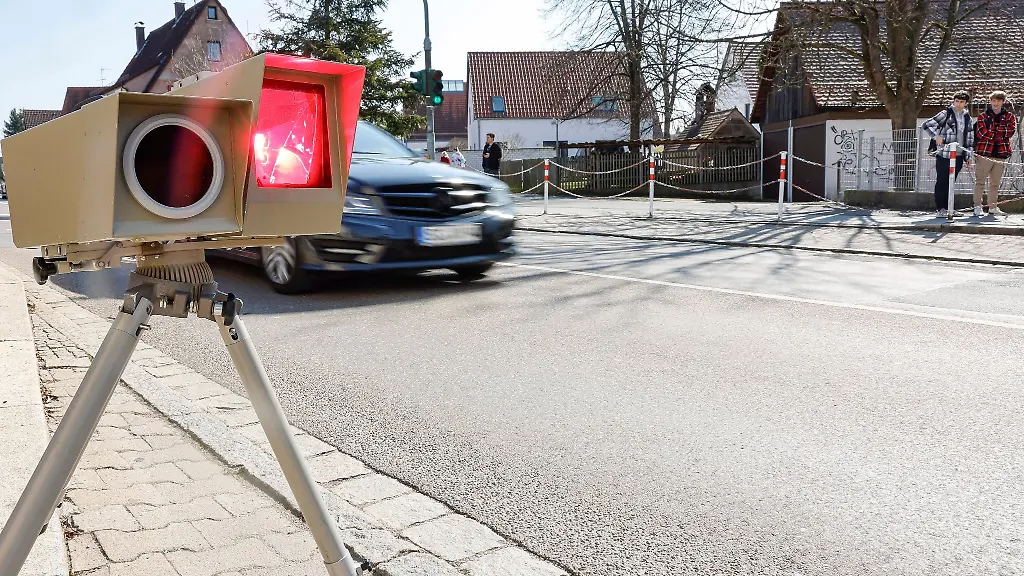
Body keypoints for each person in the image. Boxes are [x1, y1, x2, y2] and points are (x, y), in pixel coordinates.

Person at [923, 91, 975, 217]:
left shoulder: (967, 117)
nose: (958, 104)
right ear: (953, 101)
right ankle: (940, 208)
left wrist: (968, 156)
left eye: (961, 101)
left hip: (958, 155)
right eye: (956, 101)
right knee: (942, 181)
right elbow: (926, 125)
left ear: (966, 103)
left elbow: (969, 137)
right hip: (944, 154)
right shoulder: (945, 113)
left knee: (952, 182)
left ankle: (950, 207)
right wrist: (936, 137)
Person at [972, 90, 1016, 217]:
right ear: (990, 101)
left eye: (998, 100)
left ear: (1003, 102)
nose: (996, 103)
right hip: (984, 153)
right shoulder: (983, 116)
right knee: (980, 181)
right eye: (993, 100)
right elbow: (981, 133)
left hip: (1000, 154)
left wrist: (994, 130)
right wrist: (998, 132)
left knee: (995, 182)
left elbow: (1010, 132)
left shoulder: (1009, 116)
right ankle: (977, 207)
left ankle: (993, 206)